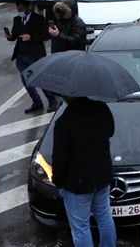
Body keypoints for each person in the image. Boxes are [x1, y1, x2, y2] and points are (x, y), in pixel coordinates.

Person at [52, 96, 116, 247]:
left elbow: (59, 159)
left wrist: (58, 181)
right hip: (102, 176)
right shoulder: (101, 108)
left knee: (81, 228)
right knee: (105, 216)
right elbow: (111, 132)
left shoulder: (64, 121)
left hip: (77, 184)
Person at [6, 0, 57, 113]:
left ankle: (52, 100)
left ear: (28, 7)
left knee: (40, 79)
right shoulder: (17, 19)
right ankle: (37, 101)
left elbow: (46, 35)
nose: (19, 12)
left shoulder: (39, 19)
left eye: (21, 9)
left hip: (34, 55)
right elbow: (15, 35)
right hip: (21, 55)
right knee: (26, 81)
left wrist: (31, 37)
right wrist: (10, 36)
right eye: (18, 10)